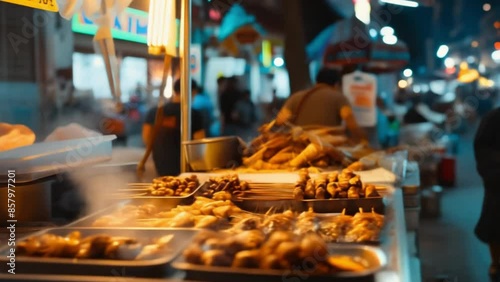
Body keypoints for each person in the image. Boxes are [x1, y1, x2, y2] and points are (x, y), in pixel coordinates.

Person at [276, 67, 365, 141]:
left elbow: (280, 121)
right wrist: (363, 139)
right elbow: (351, 124)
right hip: (328, 146)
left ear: (317, 81)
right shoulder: (339, 97)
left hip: (299, 144)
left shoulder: (296, 97)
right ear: (337, 84)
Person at [142, 79, 205, 176]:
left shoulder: (154, 112)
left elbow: (146, 137)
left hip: (161, 162)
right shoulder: (193, 114)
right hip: (185, 165)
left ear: (175, 91)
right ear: (192, 92)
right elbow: (199, 142)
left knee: (165, 187)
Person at [473, 107, 500, 282]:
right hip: (498, 184)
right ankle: (496, 263)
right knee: (495, 227)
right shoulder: (494, 118)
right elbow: (481, 147)